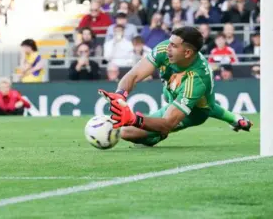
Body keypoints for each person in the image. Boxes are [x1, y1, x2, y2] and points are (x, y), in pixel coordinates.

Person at [98, 26, 252, 147]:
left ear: (187, 53)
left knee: (127, 132)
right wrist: (120, 94)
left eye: (173, 45)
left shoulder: (196, 80)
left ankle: (158, 135)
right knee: (169, 95)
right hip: (173, 91)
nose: (168, 48)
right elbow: (134, 75)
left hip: (194, 112)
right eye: (169, 42)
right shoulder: (165, 49)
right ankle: (235, 119)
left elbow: (167, 122)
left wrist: (133, 119)